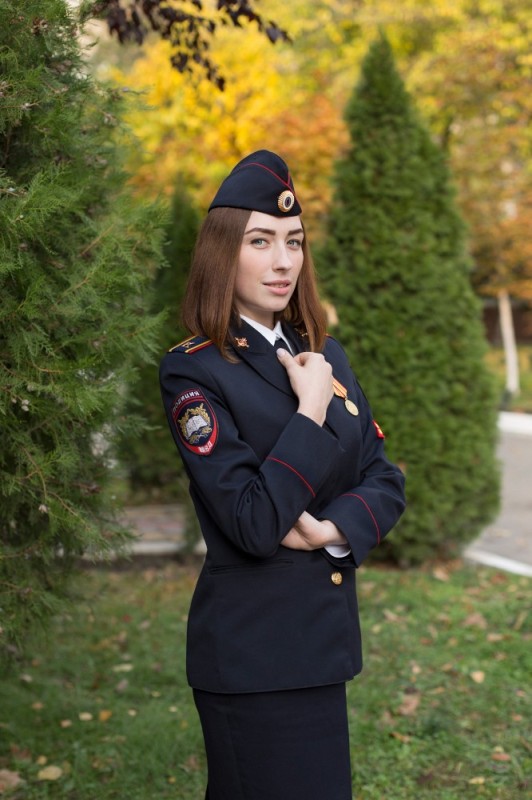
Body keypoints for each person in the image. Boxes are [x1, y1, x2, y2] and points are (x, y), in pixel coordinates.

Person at [159, 150, 406, 800]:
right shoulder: (196, 371)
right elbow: (253, 521)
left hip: (321, 648)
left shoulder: (323, 351)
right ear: (223, 254)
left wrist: (330, 529)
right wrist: (312, 408)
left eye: (293, 242)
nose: (283, 262)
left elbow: (384, 478)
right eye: (260, 241)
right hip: (253, 658)